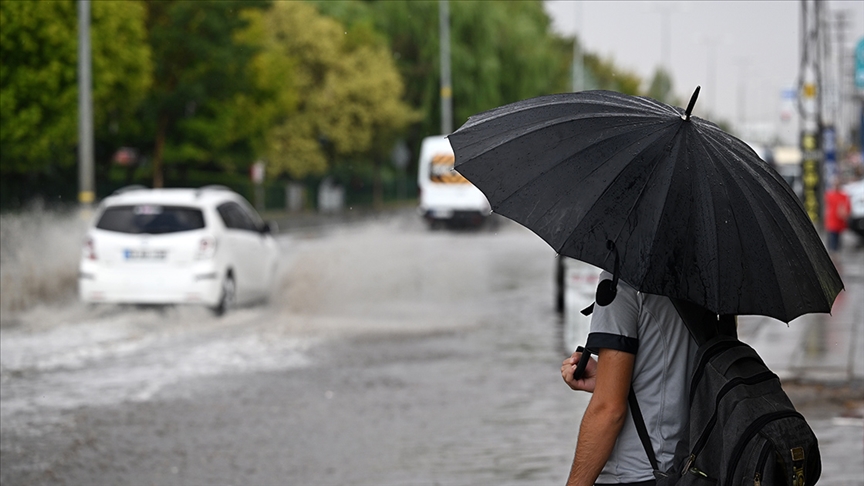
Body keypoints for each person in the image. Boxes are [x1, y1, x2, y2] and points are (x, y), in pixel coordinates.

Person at [560, 271, 698, 486]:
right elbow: (678, 374)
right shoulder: (702, 282)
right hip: (688, 467)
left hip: (633, 473)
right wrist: (606, 379)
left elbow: (609, 410)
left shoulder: (620, 284)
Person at [824, 179, 851, 253]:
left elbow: (848, 208)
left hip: (840, 221)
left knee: (838, 238)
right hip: (832, 220)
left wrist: (845, 213)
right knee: (833, 237)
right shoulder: (829, 195)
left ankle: (835, 252)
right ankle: (833, 252)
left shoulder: (843, 196)